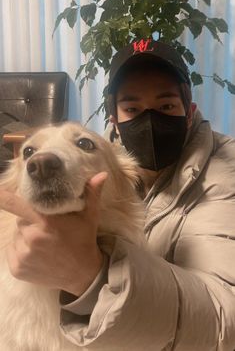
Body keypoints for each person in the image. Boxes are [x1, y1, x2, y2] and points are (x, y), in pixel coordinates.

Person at [1, 38, 235, 350]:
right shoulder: (115, 157)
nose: (149, 119)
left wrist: (90, 277)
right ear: (115, 121)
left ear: (189, 112)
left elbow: (225, 323)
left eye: (166, 106)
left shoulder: (224, 173)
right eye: (132, 108)